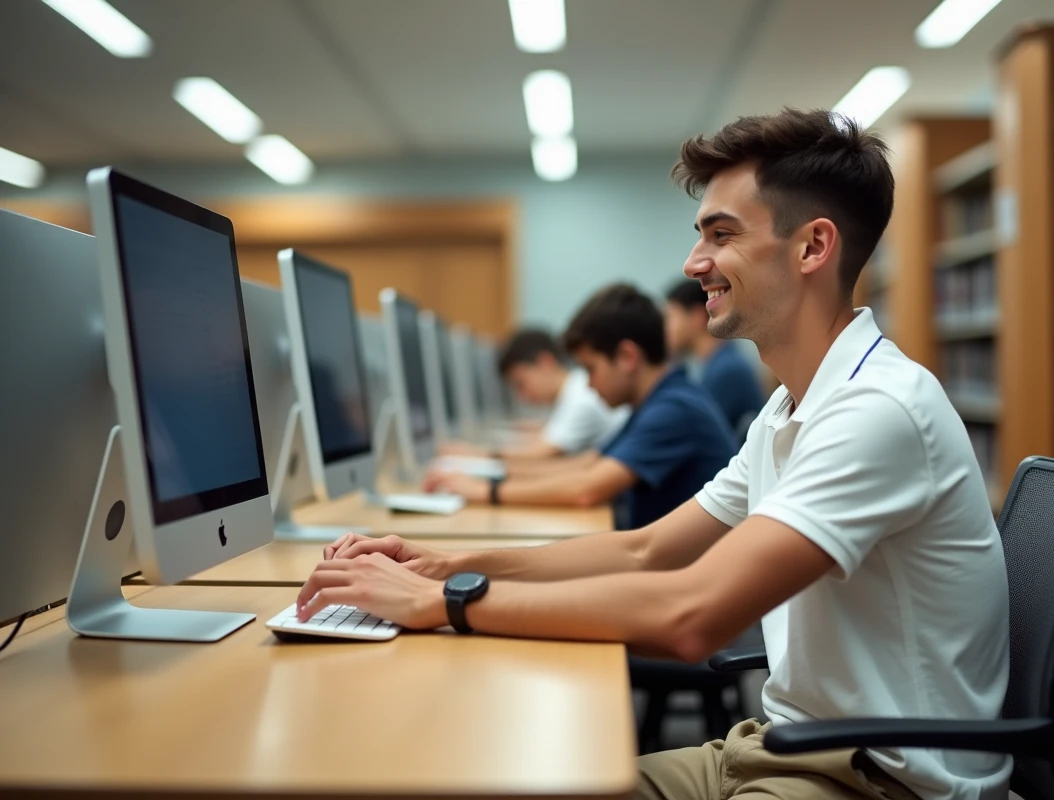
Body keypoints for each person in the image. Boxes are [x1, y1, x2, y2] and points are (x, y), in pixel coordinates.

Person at [297, 108, 1011, 800]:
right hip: (778, 748)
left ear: (812, 247)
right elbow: (643, 551)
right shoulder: (790, 407)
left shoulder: (876, 411)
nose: (693, 262)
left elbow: (688, 614)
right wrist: (447, 564)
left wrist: (446, 604)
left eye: (721, 235)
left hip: (877, 782)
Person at [425, 285, 737, 530]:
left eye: (590, 369)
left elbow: (585, 489)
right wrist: (488, 479)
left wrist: (484, 492)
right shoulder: (658, 399)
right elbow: (586, 465)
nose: (587, 385)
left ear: (627, 357)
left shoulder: (675, 408)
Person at [442, 328, 628, 460]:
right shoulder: (573, 390)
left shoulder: (581, 397)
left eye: (521, 383)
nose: (522, 396)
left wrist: (473, 454)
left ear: (545, 362)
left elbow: (543, 453)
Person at [664, 277, 766, 439]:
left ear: (697, 317)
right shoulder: (715, 365)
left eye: (671, 317)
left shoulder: (727, 371)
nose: (666, 329)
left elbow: (695, 436)